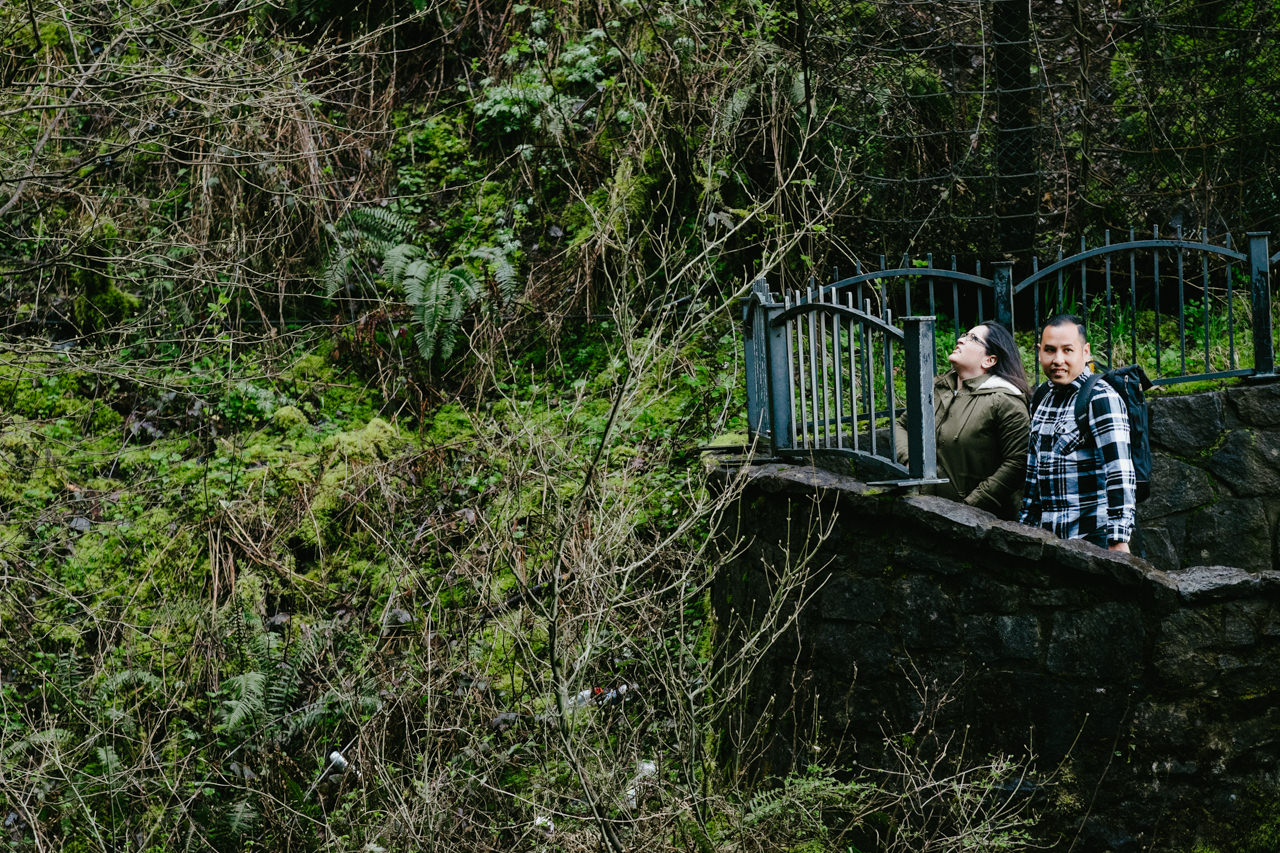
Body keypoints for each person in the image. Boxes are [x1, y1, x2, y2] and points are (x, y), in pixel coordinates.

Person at [1020, 314, 1136, 552]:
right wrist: (1026, 529)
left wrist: (1118, 540)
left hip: (1093, 539)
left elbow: (1120, 472)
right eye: (1050, 350)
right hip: (1049, 541)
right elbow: (1033, 473)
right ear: (1039, 352)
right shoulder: (1041, 396)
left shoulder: (1100, 398)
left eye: (1067, 350)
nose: (1058, 359)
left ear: (1085, 352)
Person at [895, 320, 1031, 519]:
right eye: (965, 335)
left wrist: (970, 505)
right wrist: (909, 461)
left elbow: (1017, 462)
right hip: (923, 508)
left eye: (973, 338)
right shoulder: (937, 387)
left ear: (989, 360)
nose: (961, 339)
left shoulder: (1005, 401)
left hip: (978, 523)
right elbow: (902, 425)